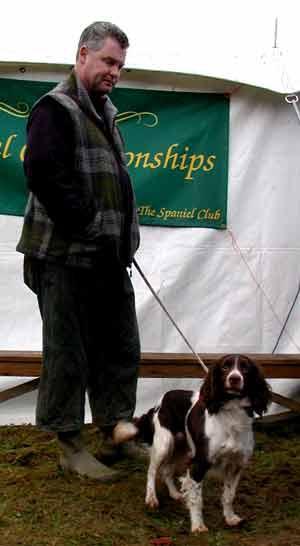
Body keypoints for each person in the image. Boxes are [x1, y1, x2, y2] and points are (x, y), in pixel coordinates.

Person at [16, 21, 142, 482]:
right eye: (109, 61)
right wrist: (91, 223)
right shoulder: (55, 108)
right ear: (83, 55)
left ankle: (117, 433)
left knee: (120, 345)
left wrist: (122, 237)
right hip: (63, 258)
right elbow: (46, 176)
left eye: (121, 66)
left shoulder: (105, 111)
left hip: (107, 260)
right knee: (67, 353)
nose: (115, 72)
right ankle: (69, 446)